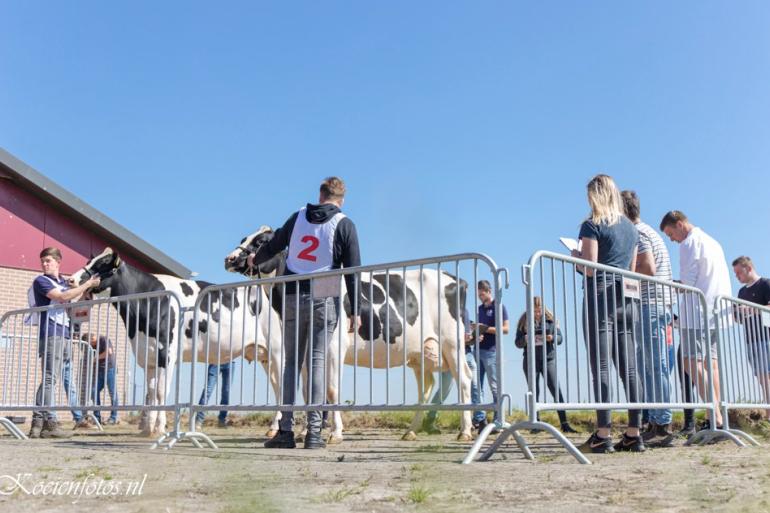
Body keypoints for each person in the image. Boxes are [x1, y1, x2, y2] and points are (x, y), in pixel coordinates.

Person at [249, 177, 361, 449]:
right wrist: (355, 310)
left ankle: (285, 431)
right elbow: (353, 269)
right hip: (325, 291)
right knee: (317, 362)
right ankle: (314, 433)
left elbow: (274, 245)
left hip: (292, 292)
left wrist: (257, 258)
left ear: (320, 195)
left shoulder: (297, 217)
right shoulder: (345, 223)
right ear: (341, 200)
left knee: (291, 364)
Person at [571, 174, 644, 453]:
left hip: (600, 298)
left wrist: (575, 259)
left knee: (601, 366)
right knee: (630, 368)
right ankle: (634, 433)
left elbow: (590, 267)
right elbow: (632, 268)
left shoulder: (592, 224)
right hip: (626, 300)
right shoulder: (631, 229)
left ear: (595, 196)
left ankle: (603, 433)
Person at [660, 210, 729, 430]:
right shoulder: (712, 241)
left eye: (671, 234)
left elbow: (688, 283)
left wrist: (669, 284)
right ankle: (718, 417)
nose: (672, 239)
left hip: (697, 312)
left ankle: (715, 415)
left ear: (680, 225)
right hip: (716, 310)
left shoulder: (688, 244)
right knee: (712, 364)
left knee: (691, 361)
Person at [621, 190, 675, 447]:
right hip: (658, 304)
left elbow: (648, 268)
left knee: (654, 365)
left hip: (651, 304)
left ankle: (662, 424)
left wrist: (623, 270)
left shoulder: (638, 233)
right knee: (652, 365)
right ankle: (656, 420)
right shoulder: (647, 230)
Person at [29, 247, 100, 438]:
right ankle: (49, 424)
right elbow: (62, 297)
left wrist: (84, 290)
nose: (45, 264)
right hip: (52, 334)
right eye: (43, 261)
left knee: (57, 378)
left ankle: (38, 423)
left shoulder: (62, 281)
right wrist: (86, 285)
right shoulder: (41, 281)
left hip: (65, 333)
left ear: (58, 262)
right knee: (50, 378)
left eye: (49, 260)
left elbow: (72, 302)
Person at [514, 296, 577, 433]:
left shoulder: (550, 321)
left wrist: (552, 337)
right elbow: (517, 343)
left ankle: (564, 424)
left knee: (555, 389)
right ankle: (535, 424)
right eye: (534, 311)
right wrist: (525, 338)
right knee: (533, 391)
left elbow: (560, 339)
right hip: (530, 360)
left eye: (539, 311)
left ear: (542, 309)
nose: (537, 314)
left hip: (548, 359)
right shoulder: (523, 322)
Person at [422, 309, 480, 434]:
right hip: (449, 357)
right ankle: (430, 418)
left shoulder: (465, 314)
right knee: (444, 390)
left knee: (474, 388)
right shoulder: (443, 313)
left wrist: (474, 337)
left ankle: (475, 420)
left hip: (466, 354)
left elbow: (468, 338)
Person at [732, 255, 770, 419]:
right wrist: (736, 313)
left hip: (765, 337)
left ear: (748, 268)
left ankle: (768, 414)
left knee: (766, 375)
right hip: (750, 339)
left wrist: (751, 309)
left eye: (738, 273)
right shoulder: (741, 291)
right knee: (761, 377)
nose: (737, 277)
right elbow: (739, 319)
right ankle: (768, 412)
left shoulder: (766, 284)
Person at [473, 279, 510, 430]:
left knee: (495, 386)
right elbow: (480, 329)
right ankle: (480, 419)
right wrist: (477, 333)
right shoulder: (479, 308)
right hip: (478, 350)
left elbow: (506, 329)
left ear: (489, 291)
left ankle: (498, 419)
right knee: (476, 386)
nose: (481, 297)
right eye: (479, 295)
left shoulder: (500, 307)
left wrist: (485, 329)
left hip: (491, 352)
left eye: (483, 294)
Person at [85, 333, 120, 425]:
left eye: (90, 343)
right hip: (100, 370)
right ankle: (97, 418)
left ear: (91, 339)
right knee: (93, 391)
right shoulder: (95, 344)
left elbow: (109, 352)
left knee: (112, 393)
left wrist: (95, 359)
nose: (91, 346)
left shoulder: (103, 339)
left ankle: (113, 417)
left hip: (109, 369)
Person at [196, 362, 232, 427]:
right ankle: (199, 420)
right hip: (215, 360)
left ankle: (222, 420)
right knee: (208, 390)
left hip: (230, 361)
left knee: (226, 391)